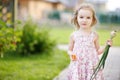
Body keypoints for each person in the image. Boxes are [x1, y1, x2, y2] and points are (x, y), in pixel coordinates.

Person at [67, 3, 112, 80]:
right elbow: (69, 50)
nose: (84, 20)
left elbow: (98, 51)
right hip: (78, 64)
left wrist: (106, 46)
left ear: (93, 20)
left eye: (88, 18)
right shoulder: (73, 35)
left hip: (91, 65)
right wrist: (72, 54)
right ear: (76, 18)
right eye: (81, 17)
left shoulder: (94, 35)